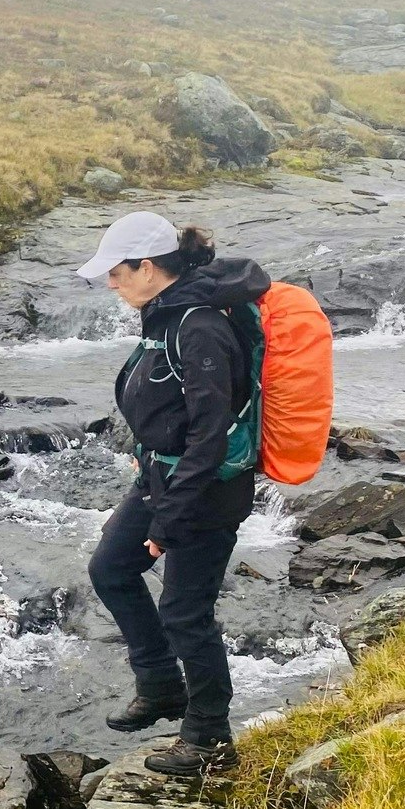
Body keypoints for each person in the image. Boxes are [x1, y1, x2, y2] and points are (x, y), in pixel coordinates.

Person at [81, 211, 271, 777]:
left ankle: (210, 735)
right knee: (111, 569)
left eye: (116, 273)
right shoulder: (163, 314)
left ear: (147, 266)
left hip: (205, 492)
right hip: (162, 479)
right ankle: (162, 684)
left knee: (187, 613)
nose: (111, 285)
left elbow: (210, 435)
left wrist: (167, 522)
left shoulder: (199, 325)